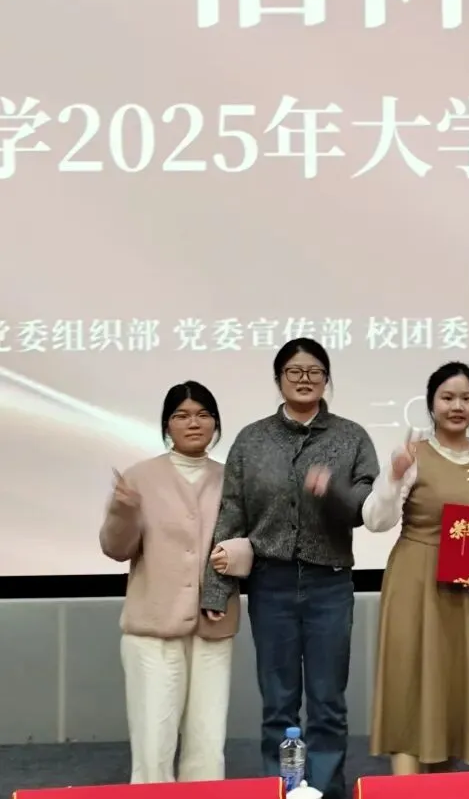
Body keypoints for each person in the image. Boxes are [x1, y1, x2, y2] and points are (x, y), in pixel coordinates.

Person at [201, 338, 379, 799]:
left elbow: (365, 509)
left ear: (327, 379)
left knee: (327, 701)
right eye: (294, 371)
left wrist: (333, 489)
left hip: (329, 584)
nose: (304, 379)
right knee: (278, 703)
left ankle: (326, 790)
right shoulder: (251, 440)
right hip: (271, 583)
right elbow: (231, 514)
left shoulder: (351, 437)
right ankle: (280, 789)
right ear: (278, 379)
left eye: (314, 371)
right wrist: (215, 589)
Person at [101, 381, 252, 783]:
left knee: (207, 739)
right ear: (167, 425)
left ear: (216, 423)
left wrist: (237, 555)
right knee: (154, 740)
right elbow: (116, 548)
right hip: (154, 627)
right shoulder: (139, 478)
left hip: (213, 624)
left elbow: (257, 542)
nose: (193, 423)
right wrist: (122, 512)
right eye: (182, 415)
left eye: (203, 415)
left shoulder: (233, 480)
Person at [364, 362, 469, 774]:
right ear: (431, 405)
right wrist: (394, 475)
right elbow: (376, 520)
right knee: (409, 682)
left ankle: (443, 785)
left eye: (466, 398)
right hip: (415, 577)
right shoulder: (413, 456)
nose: (457, 406)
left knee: (454, 685)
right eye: (447, 397)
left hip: (465, 585)